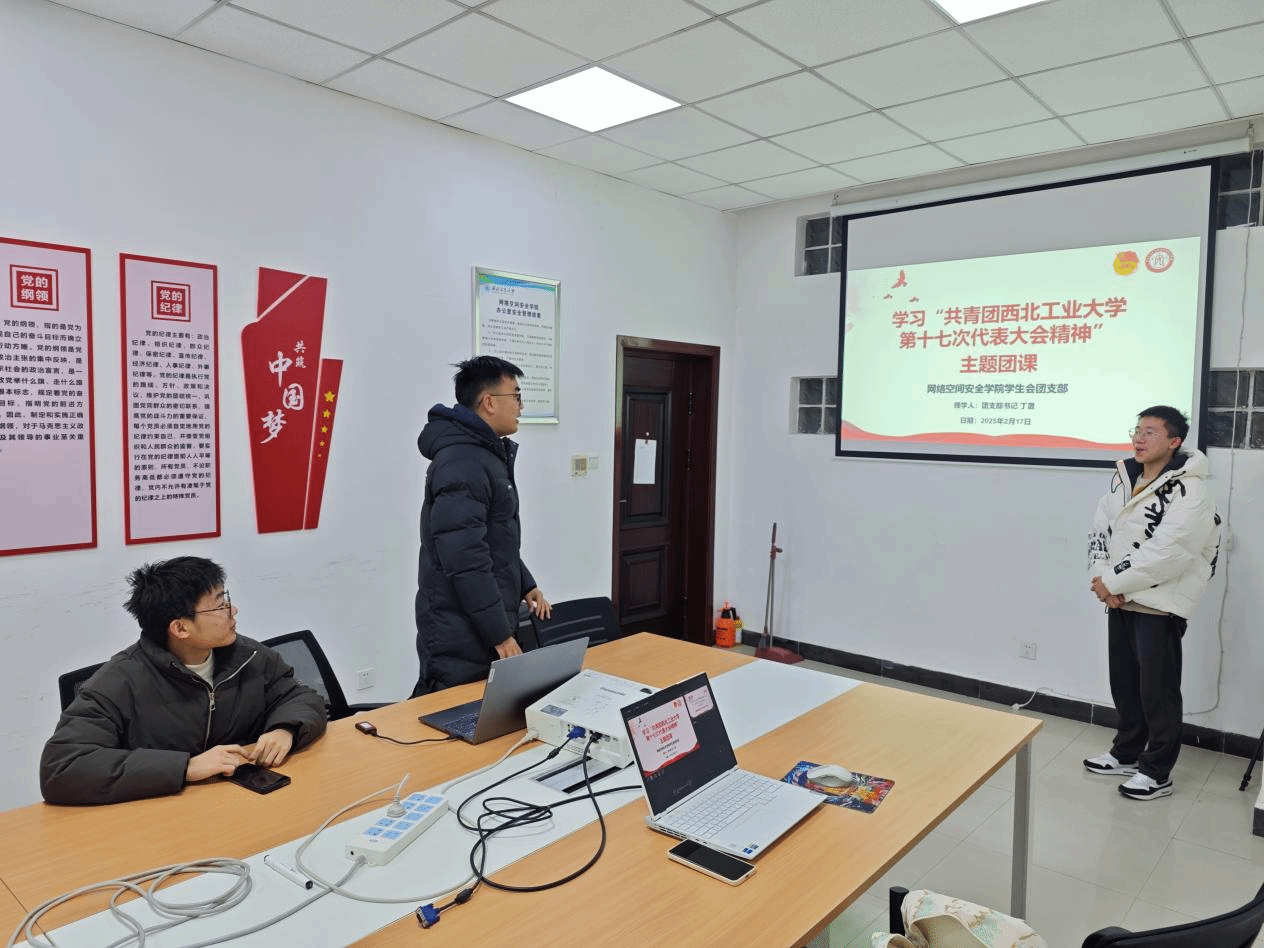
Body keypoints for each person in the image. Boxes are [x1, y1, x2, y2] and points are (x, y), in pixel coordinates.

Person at [40, 557, 327, 806]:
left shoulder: (248, 656)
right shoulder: (117, 683)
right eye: (219, 606)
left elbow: (301, 696)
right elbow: (62, 768)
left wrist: (285, 729)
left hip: (241, 802)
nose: (233, 610)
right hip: (162, 818)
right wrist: (185, 767)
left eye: (226, 600)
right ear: (180, 628)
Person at [1083, 406, 1220, 801]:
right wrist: (1103, 580)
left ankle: (1157, 773)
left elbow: (1169, 552)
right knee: (1125, 683)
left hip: (1159, 602)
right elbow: (1100, 532)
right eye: (1137, 430)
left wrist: (1112, 582)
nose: (1138, 439)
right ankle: (1126, 753)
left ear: (1174, 441)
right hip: (1120, 598)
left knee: (1157, 692)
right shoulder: (1124, 479)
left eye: (1150, 432)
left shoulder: (1192, 491)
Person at [413, 355, 550, 695]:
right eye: (516, 396)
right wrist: (500, 634)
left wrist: (525, 583)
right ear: (489, 402)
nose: (520, 407)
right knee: (458, 718)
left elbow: (492, 540)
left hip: (477, 622)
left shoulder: (482, 455)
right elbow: (465, 558)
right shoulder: (463, 461)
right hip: (459, 632)